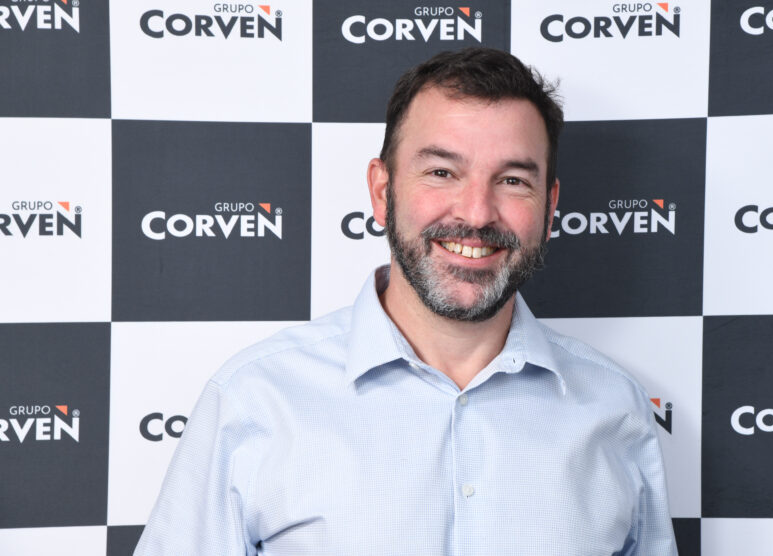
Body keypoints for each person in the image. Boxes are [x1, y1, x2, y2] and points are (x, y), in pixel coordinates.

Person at [135, 47, 678, 556]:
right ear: (382, 191)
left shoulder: (615, 406)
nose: (477, 213)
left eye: (513, 180)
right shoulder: (256, 398)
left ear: (549, 206)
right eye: (442, 172)